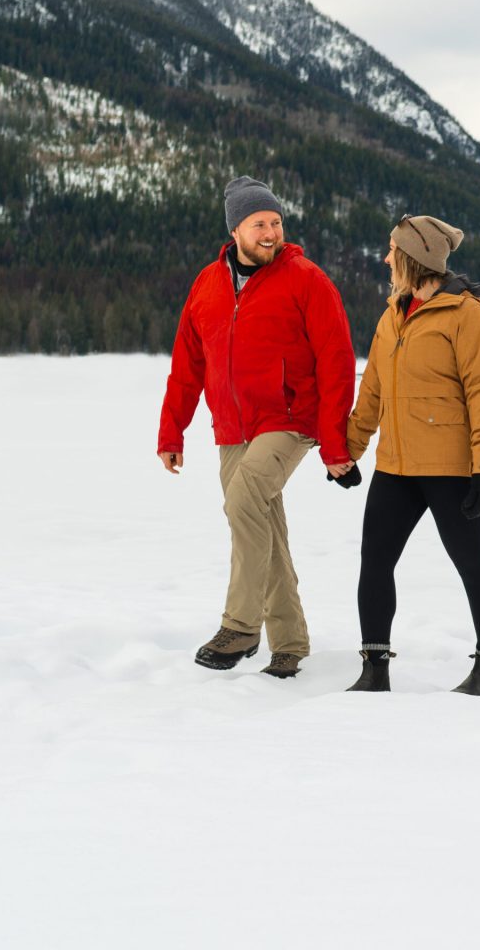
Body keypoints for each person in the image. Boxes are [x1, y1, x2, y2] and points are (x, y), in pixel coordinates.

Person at [156, 175, 358, 679]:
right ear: (236, 231)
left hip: (289, 420)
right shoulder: (207, 284)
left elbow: (336, 360)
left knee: (245, 503)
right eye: (259, 224)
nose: (271, 233)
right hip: (231, 427)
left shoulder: (306, 279)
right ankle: (288, 645)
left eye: (276, 222)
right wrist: (171, 432)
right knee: (262, 526)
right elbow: (187, 362)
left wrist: (334, 445)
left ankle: (241, 627)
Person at [342, 214, 480, 696]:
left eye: (393, 251)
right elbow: (372, 388)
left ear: (414, 258)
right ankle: (374, 670)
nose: (387, 258)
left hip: (450, 469)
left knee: (472, 563)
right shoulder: (394, 313)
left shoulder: (466, 315)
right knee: (374, 562)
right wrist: (350, 450)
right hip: (395, 467)